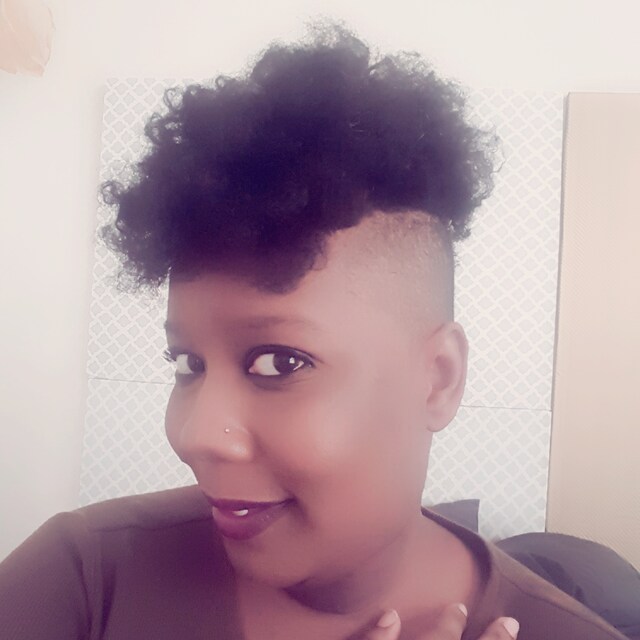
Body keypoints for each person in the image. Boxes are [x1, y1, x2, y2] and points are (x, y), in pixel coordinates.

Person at [0, 25, 627, 640]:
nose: (195, 436)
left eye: (279, 363)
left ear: (438, 379)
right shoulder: (83, 579)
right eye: (188, 363)